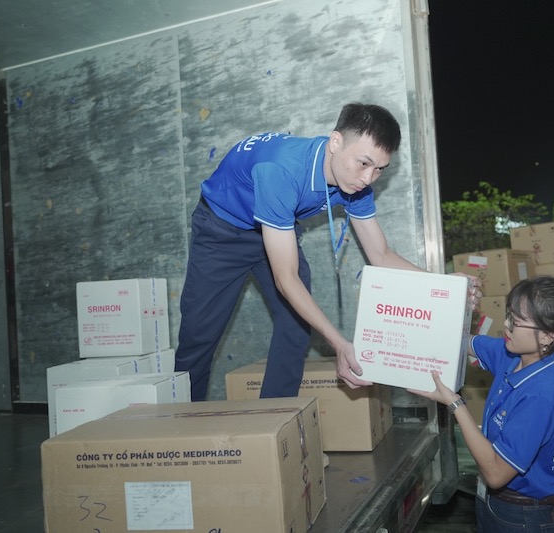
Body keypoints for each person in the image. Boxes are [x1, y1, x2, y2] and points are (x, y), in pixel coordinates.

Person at [175, 102, 480, 401]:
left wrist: (447, 286)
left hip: (277, 227)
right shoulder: (281, 171)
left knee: (295, 326)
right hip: (222, 231)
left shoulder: (356, 185)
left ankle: (274, 422)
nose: (367, 178)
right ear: (336, 142)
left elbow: (381, 255)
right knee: (198, 337)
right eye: (363, 163)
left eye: (379, 170)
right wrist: (339, 343)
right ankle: (179, 429)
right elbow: (286, 279)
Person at [410, 276, 554, 532]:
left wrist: (456, 404)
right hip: (496, 506)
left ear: (547, 336)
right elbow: (464, 342)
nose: (506, 324)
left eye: (516, 321)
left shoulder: (542, 393)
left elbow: (495, 474)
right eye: (508, 315)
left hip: (524, 518)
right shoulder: (512, 355)